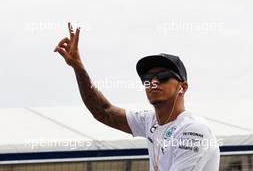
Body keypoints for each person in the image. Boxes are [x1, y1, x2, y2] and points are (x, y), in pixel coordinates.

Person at [54, 23, 220, 171]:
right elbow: (103, 111)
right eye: (147, 79)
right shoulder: (151, 121)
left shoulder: (194, 131)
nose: (153, 82)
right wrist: (78, 67)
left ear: (182, 87)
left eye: (163, 76)